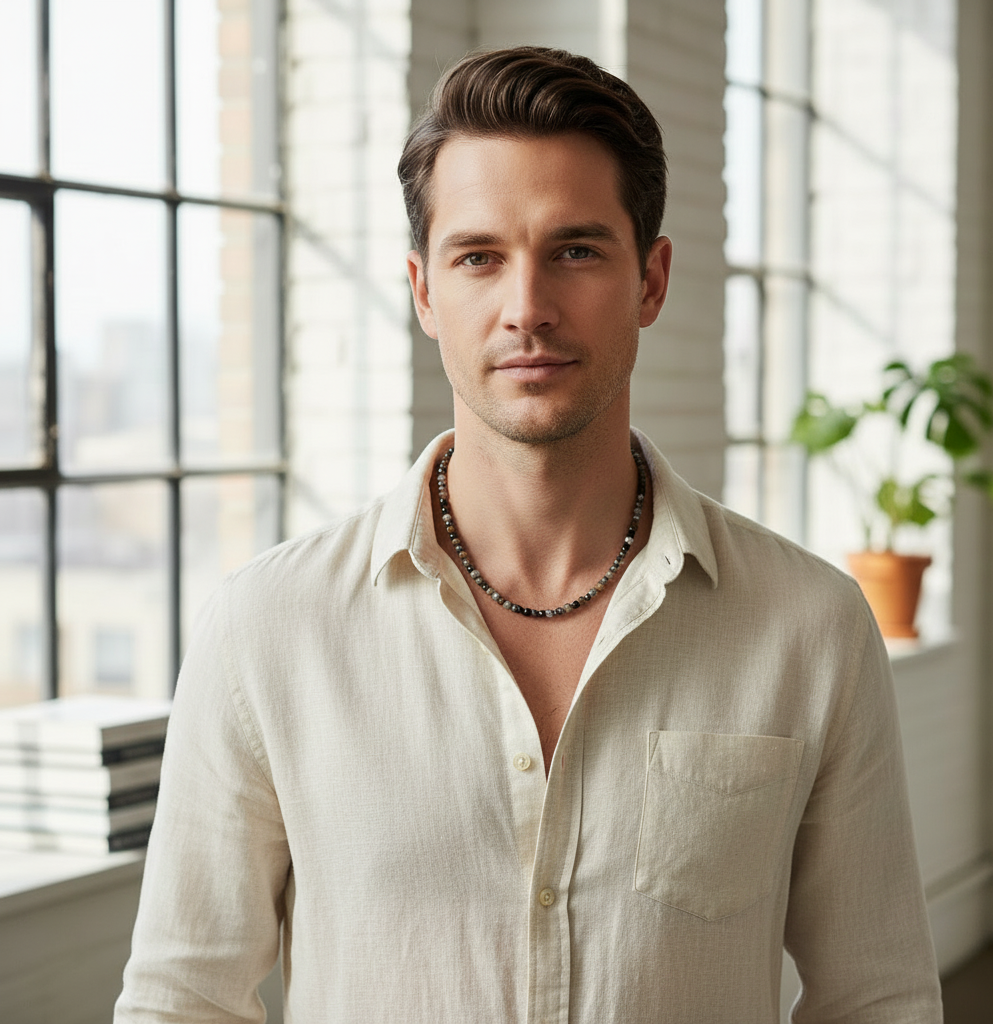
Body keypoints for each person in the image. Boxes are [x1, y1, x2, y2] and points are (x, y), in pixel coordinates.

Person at [115, 46, 942, 1023]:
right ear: (424, 290)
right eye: (479, 257)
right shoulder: (266, 628)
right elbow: (182, 1000)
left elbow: (876, 996)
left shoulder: (808, 624)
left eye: (576, 250)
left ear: (651, 280)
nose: (527, 309)